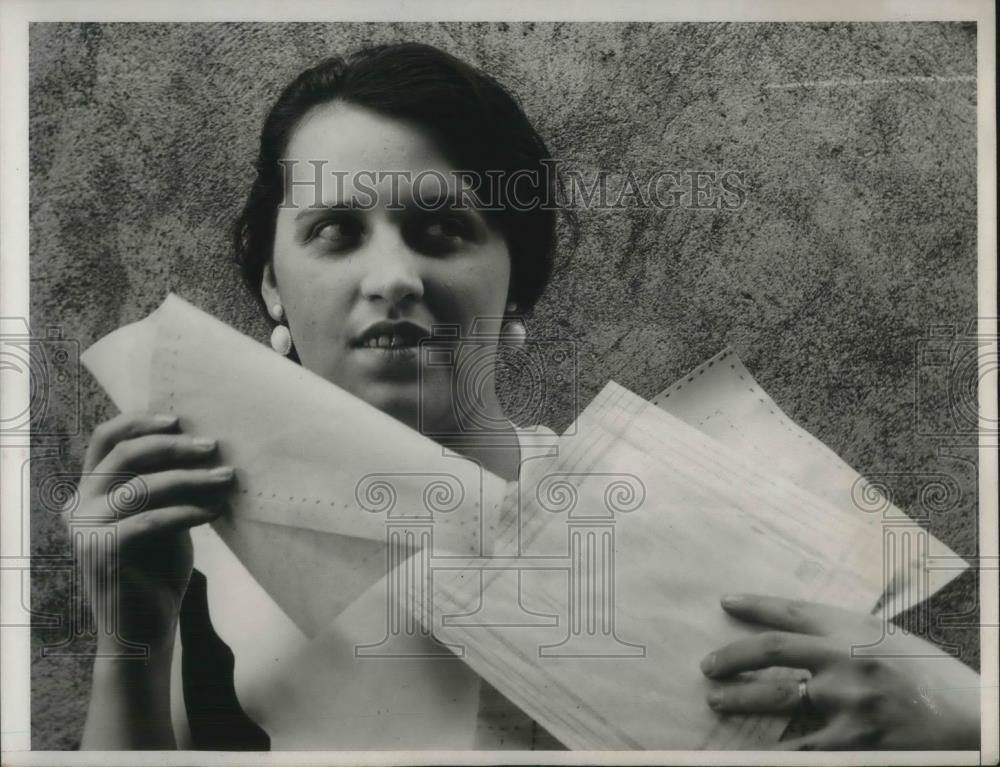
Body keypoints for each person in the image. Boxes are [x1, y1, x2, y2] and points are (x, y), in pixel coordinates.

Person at [72, 42, 981, 751]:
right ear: (272, 283)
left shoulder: (701, 513)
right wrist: (128, 643)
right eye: (336, 231)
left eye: (442, 229)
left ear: (517, 284)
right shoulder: (187, 553)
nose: (393, 275)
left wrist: (958, 711)